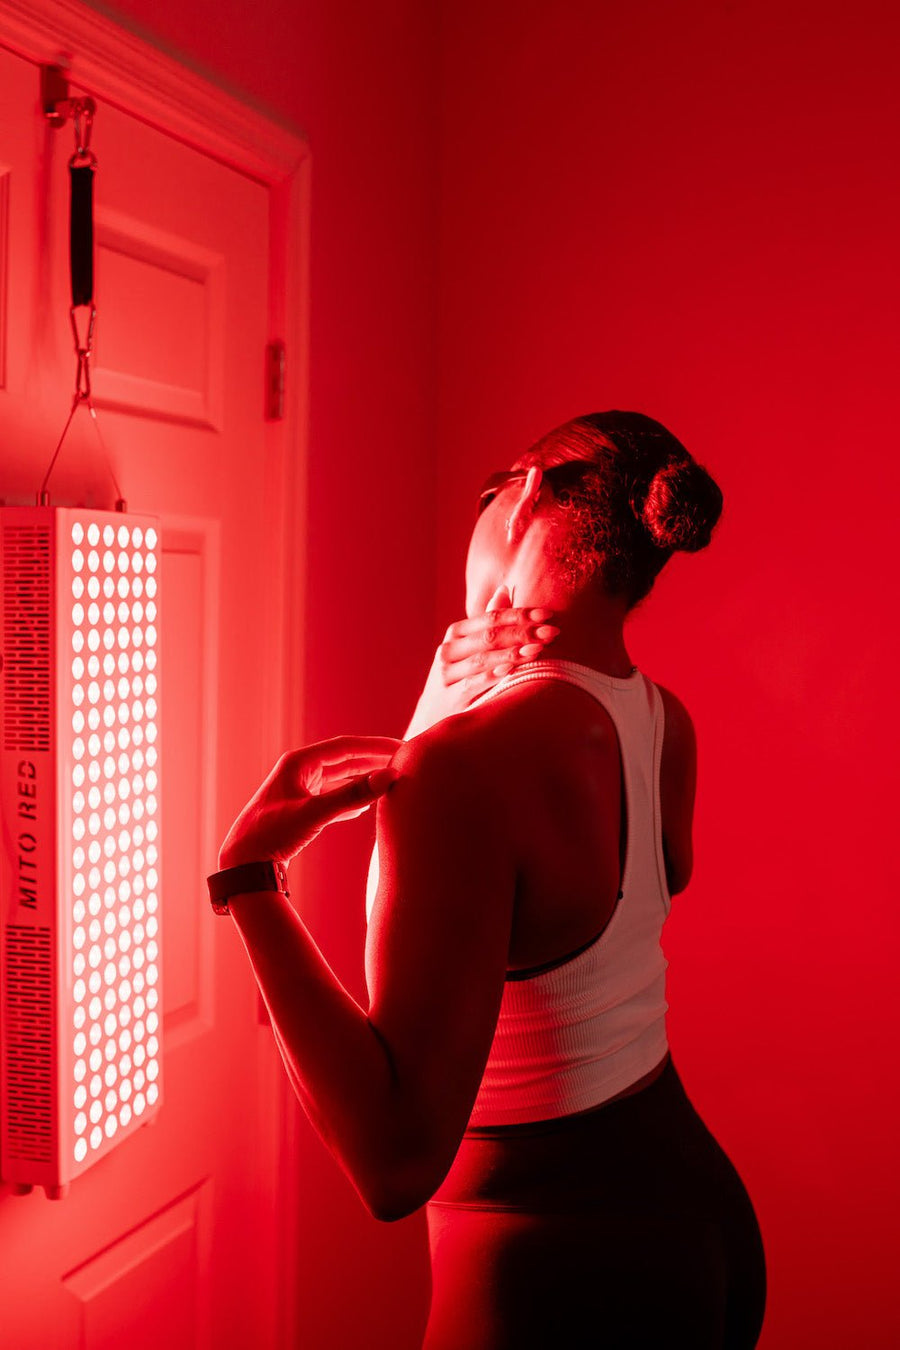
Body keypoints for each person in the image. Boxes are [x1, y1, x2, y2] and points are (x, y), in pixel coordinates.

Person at [211, 411, 766, 1349]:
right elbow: (647, 877)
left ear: (530, 493)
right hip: (694, 1215)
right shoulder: (664, 722)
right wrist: (442, 712)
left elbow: (395, 1162)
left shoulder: (466, 767)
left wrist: (249, 879)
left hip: (549, 1273)